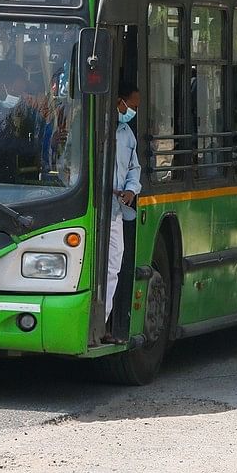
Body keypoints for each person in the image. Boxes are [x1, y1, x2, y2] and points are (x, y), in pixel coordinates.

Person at [105, 82, 142, 338]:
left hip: (117, 210)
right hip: (94, 209)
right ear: (120, 102)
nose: (132, 111)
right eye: (131, 106)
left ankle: (103, 322)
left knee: (112, 268)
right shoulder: (98, 130)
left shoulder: (127, 134)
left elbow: (133, 168)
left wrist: (131, 189)